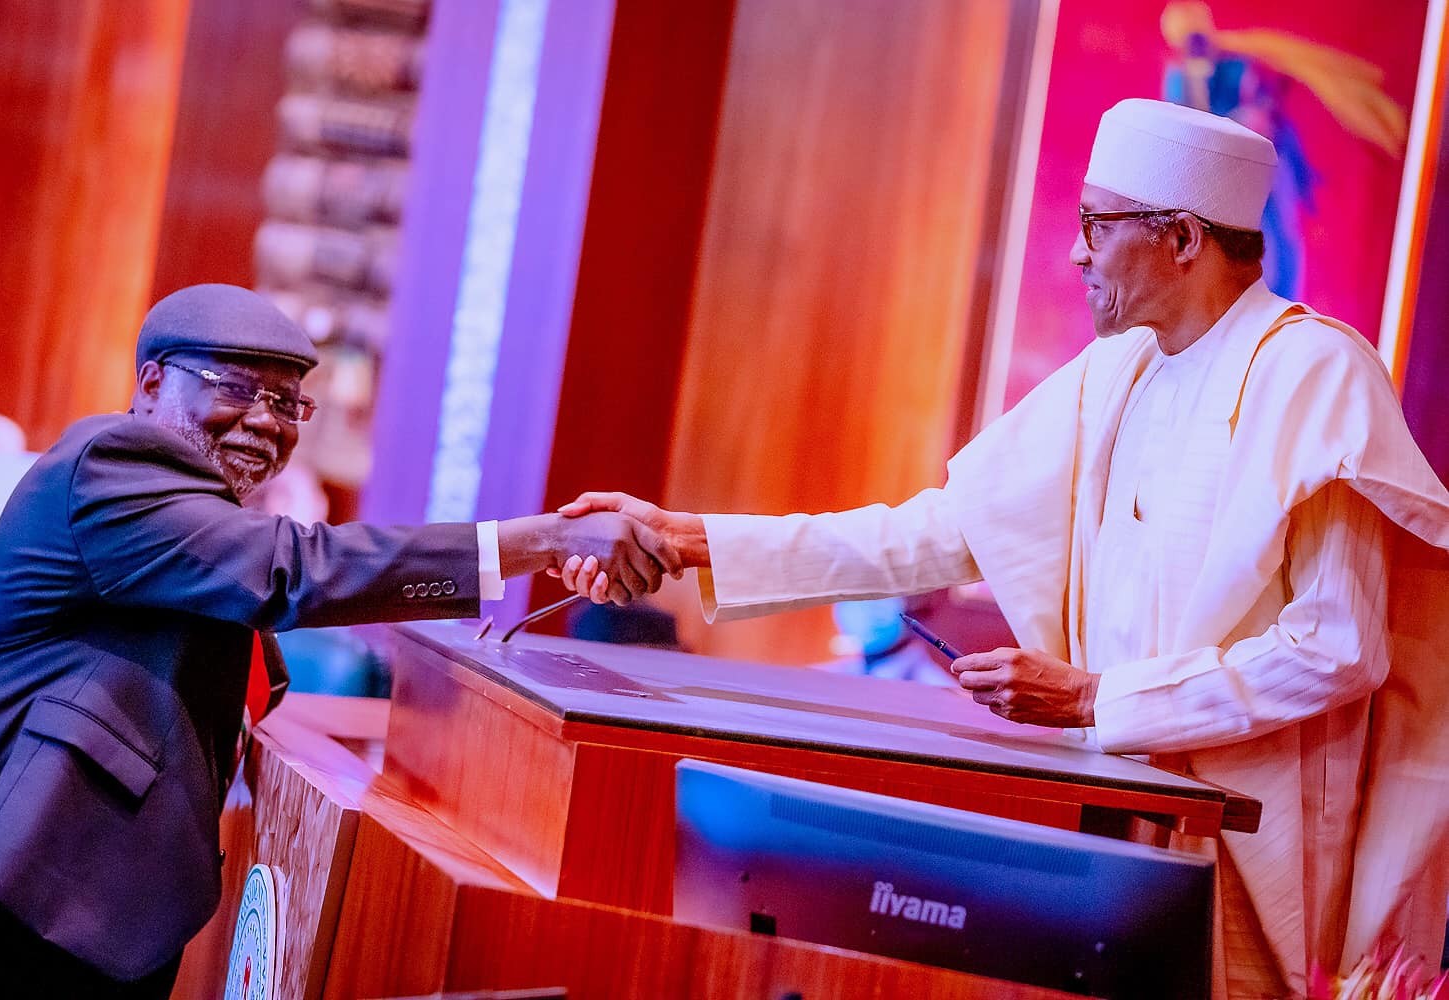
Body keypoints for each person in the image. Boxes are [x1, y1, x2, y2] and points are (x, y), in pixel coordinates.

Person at [558, 99, 1449, 997]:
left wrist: (1098, 697)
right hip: (1107, 824)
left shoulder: (1320, 373)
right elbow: (930, 535)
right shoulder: (1119, 370)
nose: (1076, 252)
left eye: (1096, 226)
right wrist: (690, 539)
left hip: (1258, 850)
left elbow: (1340, 648)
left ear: (1182, 237)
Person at [0, 284, 677, 999]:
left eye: (287, 402)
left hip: (88, 904)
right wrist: (546, 540)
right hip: (12, 891)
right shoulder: (113, 462)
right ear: (149, 384)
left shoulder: (200, 526)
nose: (267, 423)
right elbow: (295, 570)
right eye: (236, 387)